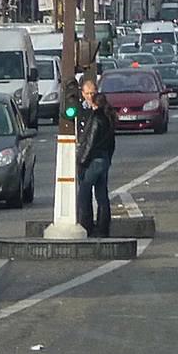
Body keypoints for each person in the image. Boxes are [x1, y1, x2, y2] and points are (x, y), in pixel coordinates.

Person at [75, 77, 116, 238]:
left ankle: (87, 226)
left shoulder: (97, 117)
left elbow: (90, 142)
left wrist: (82, 161)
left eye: (92, 93)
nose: (89, 96)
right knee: (101, 193)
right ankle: (103, 228)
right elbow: (112, 142)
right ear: (82, 92)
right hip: (103, 158)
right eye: (87, 93)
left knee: (84, 193)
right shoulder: (107, 114)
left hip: (92, 159)